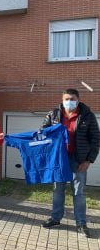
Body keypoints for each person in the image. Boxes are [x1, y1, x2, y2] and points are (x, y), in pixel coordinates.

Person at [41, 88, 99, 238]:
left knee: (79, 192)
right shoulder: (53, 114)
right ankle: (55, 218)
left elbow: (95, 139)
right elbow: (42, 132)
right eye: (66, 99)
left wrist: (89, 160)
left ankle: (81, 223)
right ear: (62, 100)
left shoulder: (87, 116)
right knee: (58, 190)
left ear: (78, 99)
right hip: (59, 159)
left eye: (72, 99)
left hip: (78, 159)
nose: (69, 102)